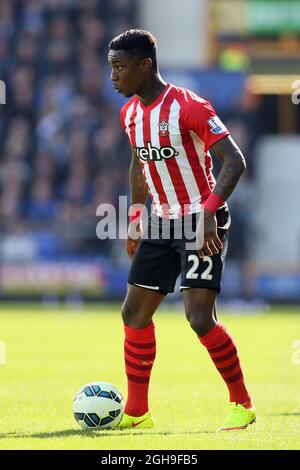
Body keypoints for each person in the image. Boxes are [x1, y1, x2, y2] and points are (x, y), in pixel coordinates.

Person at [108, 29, 256, 431]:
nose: (113, 77)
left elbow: (234, 160)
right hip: (161, 219)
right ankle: (138, 414)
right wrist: (137, 218)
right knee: (134, 312)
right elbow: (140, 167)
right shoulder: (130, 114)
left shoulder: (188, 106)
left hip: (200, 219)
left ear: (146, 66)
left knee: (198, 317)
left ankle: (242, 403)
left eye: (119, 68)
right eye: (111, 68)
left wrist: (210, 210)